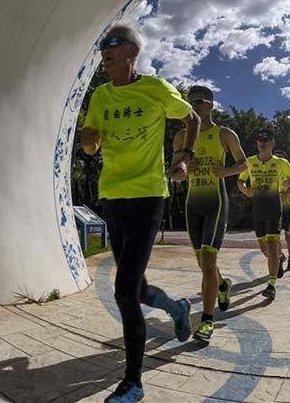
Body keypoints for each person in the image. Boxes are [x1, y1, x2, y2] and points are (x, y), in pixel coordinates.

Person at [80, 24, 200, 403]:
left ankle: (133, 382)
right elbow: (91, 136)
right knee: (139, 289)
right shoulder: (99, 95)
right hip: (112, 198)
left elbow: (191, 119)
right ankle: (177, 307)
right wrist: (89, 140)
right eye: (102, 46)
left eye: (113, 44)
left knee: (124, 292)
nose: (105, 51)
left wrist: (183, 159)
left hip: (148, 197)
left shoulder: (156, 89)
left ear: (132, 51)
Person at [173, 85, 247, 343]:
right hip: (193, 205)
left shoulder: (224, 134)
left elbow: (244, 163)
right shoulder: (181, 137)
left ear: (211, 105)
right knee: (204, 264)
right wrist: (182, 169)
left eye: (200, 101)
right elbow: (174, 172)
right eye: (191, 101)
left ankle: (206, 321)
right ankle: (223, 285)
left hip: (215, 202)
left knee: (208, 259)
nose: (195, 105)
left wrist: (225, 172)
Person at [237, 129, 290, 300]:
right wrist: (244, 189)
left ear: (272, 143)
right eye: (259, 140)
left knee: (272, 245)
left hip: (274, 207)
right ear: (257, 143)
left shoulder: (280, 162)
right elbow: (240, 180)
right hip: (257, 208)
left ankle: (271, 285)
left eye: (266, 140)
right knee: (265, 249)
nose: (262, 143)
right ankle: (280, 257)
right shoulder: (249, 162)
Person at [273, 149, 290, 272]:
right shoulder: (271, 173)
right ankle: (280, 258)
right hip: (275, 210)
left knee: (288, 237)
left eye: (281, 158)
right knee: (275, 238)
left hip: (288, 209)